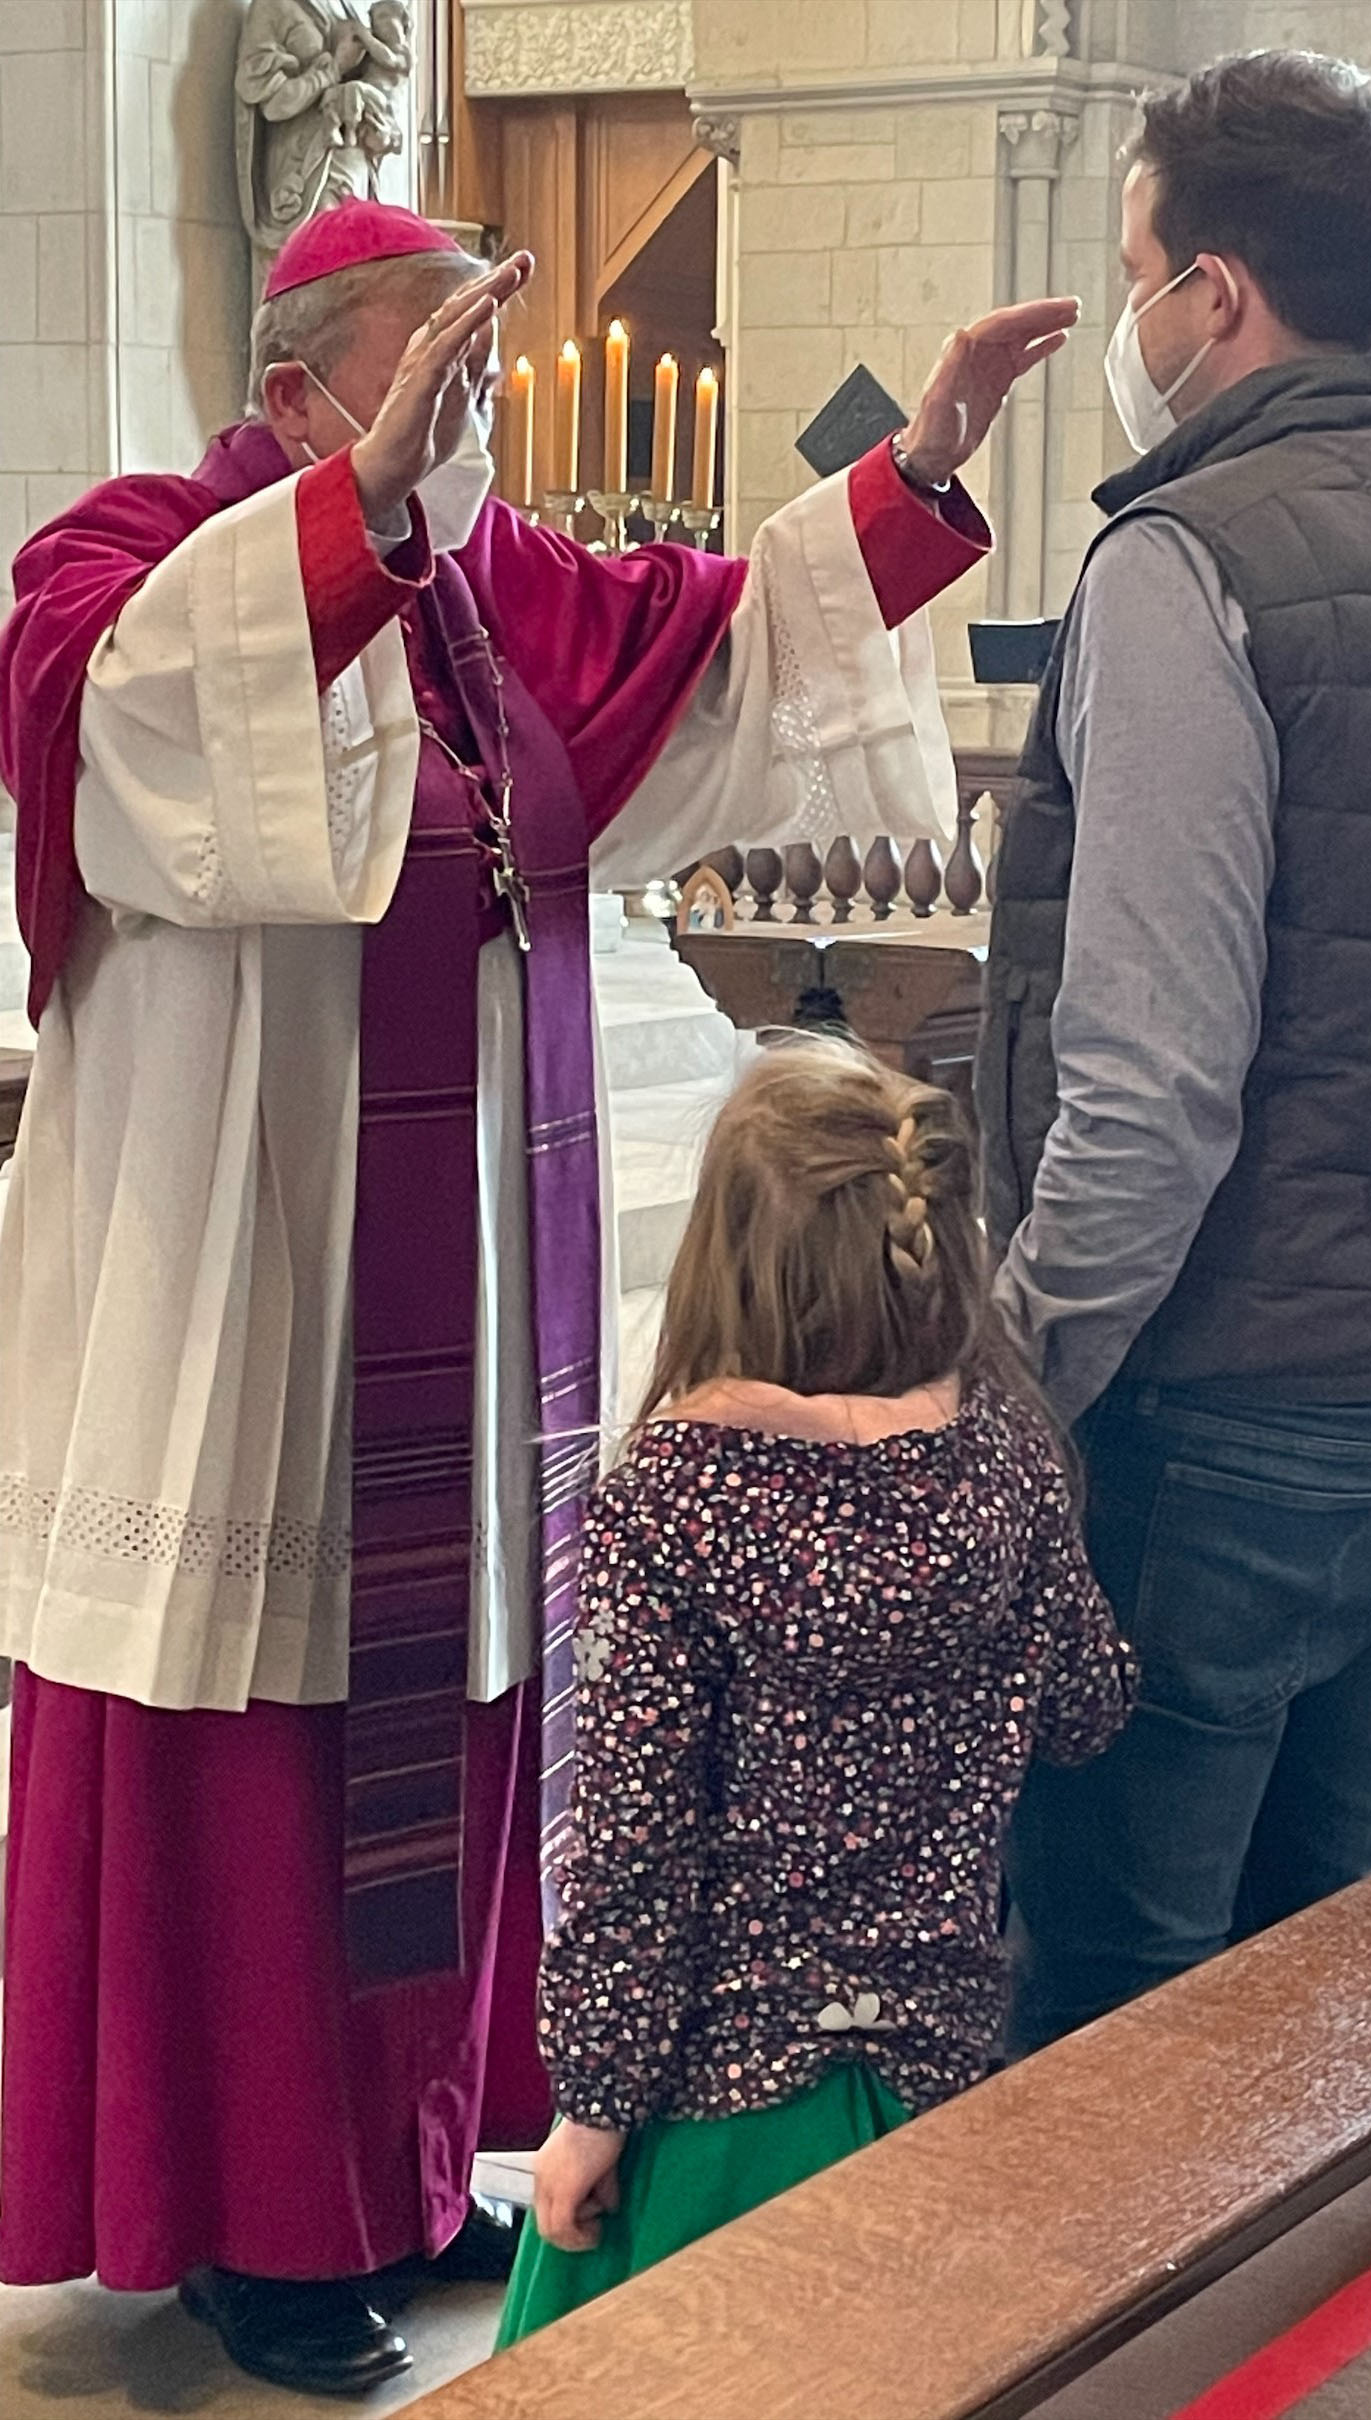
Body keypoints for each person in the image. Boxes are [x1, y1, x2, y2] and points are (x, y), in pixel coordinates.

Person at [0, 199, 1076, 2393]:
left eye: (479, 383)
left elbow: (713, 640)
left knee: (471, 1720)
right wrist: (351, 518)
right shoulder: (134, 549)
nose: (466, 426)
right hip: (238, 1283)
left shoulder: (488, 595)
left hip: (454, 1290)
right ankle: (258, 2224)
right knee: (257, 1745)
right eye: (431, 378)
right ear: (300, 382)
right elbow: (109, 733)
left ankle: (398, 2165)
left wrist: (922, 476)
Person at [976, 52, 1371, 2057]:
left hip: (1208, 1412)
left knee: (1109, 2040)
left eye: (1140, 265)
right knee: (1304, 2032)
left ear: (1215, 295)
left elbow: (1150, 1076)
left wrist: (1014, 1366)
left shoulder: (1187, 561)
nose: (1130, 311)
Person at [492, 1040, 1135, 2345]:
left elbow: (632, 1844)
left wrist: (591, 2110)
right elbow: (1089, 1702)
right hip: (940, 2063)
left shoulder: (676, 1498)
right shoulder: (1004, 1447)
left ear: (730, 1255)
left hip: (719, 2094)